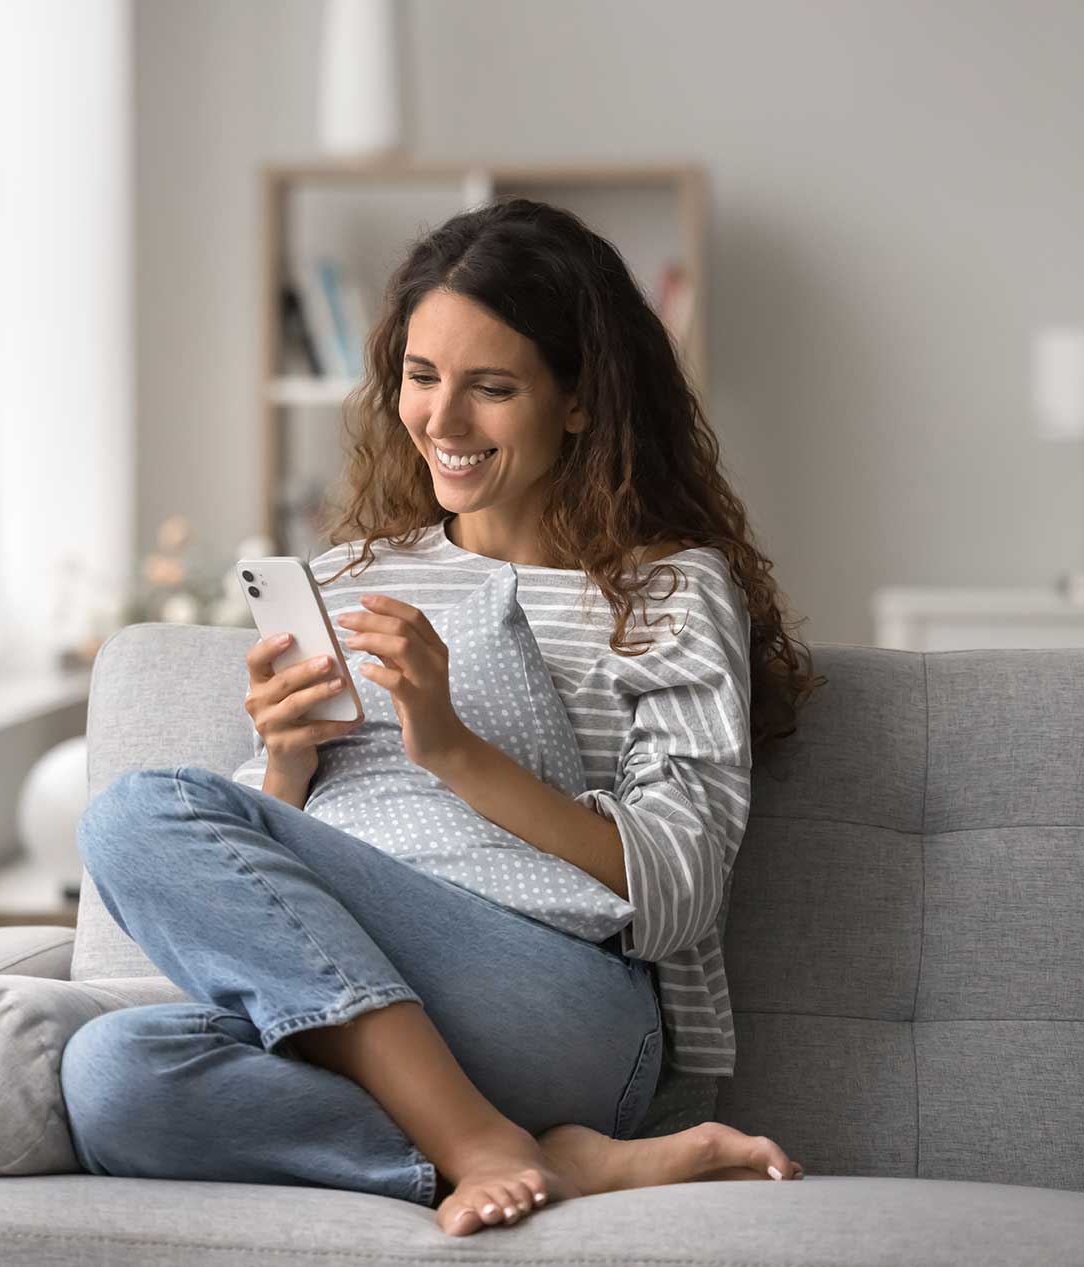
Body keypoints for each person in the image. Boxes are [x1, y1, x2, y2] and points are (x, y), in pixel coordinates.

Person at [63, 197, 825, 1238]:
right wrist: (282, 767)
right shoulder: (348, 577)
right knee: (114, 1078)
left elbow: (679, 893)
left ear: (579, 401)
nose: (443, 423)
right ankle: (533, 1154)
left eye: (492, 388)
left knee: (132, 812)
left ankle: (477, 1139)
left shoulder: (669, 593)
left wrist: (453, 744)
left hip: (561, 1006)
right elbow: (249, 884)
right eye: (422, 378)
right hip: (367, 1000)